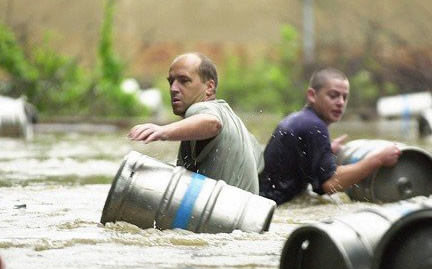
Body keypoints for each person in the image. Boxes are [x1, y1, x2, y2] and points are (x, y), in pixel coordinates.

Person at [258, 67, 401, 205]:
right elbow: (331, 184)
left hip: (264, 200)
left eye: (345, 97)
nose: (340, 103)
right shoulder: (315, 126)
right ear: (312, 95)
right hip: (276, 206)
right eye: (333, 95)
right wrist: (378, 159)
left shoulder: (297, 119)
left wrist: (326, 151)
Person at [128, 52, 263, 194]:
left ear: (209, 87)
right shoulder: (233, 120)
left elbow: (212, 123)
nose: (173, 88)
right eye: (171, 81)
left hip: (225, 214)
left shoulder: (200, 108)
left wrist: (163, 131)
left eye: (184, 80)